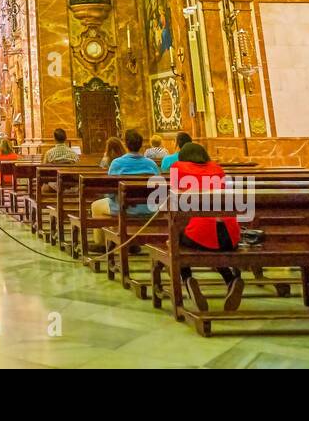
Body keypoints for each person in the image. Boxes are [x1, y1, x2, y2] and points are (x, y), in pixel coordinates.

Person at [170, 142, 243, 312]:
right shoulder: (217, 168)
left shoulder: (178, 167)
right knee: (210, 240)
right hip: (230, 235)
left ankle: (188, 281)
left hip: (202, 234)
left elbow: (176, 202)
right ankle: (231, 280)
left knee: (175, 241)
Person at [90, 130, 159, 247]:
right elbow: (158, 188)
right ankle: (129, 242)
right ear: (141, 144)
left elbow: (111, 192)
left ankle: (102, 244)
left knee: (96, 206)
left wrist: (109, 196)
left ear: (126, 144)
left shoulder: (117, 163)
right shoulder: (151, 164)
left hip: (124, 207)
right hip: (149, 209)